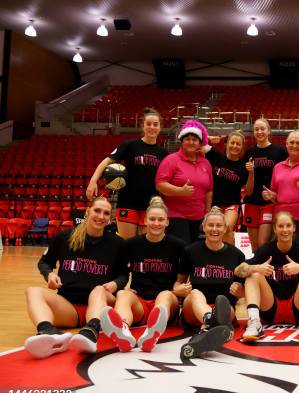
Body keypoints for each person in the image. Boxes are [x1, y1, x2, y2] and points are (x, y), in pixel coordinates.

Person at [24, 197, 128, 358]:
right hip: (70, 307)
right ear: (87, 211)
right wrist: (49, 274)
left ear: (110, 218)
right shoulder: (64, 238)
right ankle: (48, 332)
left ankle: (91, 331)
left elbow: (124, 276)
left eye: (106, 213)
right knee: (32, 291)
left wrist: (115, 284)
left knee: (98, 290)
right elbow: (44, 262)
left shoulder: (118, 244)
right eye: (97, 211)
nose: (101, 216)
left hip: (101, 303)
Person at [99, 197, 184, 353]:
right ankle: (122, 330)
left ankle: (151, 332)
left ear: (167, 222)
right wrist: (122, 287)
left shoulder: (178, 246)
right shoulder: (131, 244)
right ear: (145, 220)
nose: (156, 223)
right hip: (141, 303)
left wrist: (179, 290)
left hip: (167, 301)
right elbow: (121, 272)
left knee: (164, 295)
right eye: (152, 219)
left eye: (161, 219)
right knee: (123, 294)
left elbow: (185, 275)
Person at [236, 211, 299, 345]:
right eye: (280, 226)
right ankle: (254, 323)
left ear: (294, 228)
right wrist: (256, 268)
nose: (285, 230)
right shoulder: (266, 250)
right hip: (270, 309)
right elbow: (238, 269)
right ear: (274, 229)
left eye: (288, 226)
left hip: (297, 309)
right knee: (254, 273)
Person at [86, 108, 168, 238]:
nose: (152, 127)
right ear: (143, 126)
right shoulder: (129, 145)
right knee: (126, 244)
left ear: (160, 127)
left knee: (143, 248)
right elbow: (106, 162)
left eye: (155, 124)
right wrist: (93, 181)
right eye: (148, 124)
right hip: (127, 202)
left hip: (151, 206)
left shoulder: (163, 153)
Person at [176, 207, 247, 358]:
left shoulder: (237, 255)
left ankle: (205, 333)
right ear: (204, 226)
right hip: (194, 307)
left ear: (225, 228)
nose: (214, 229)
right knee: (195, 293)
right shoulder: (190, 251)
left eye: (219, 225)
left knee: (225, 304)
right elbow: (177, 284)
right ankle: (210, 320)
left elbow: (243, 294)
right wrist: (180, 289)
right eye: (211, 225)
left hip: (224, 308)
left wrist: (241, 293)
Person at [155, 120, 213, 244]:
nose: (191, 142)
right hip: (176, 215)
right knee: (182, 249)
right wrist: (180, 191)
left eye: (194, 139)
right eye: (187, 139)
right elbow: (160, 184)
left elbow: (209, 190)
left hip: (199, 217)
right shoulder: (171, 160)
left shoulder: (205, 163)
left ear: (199, 143)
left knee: (194, 253)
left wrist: (207, 213)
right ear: (181, 141)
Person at [243, 118, 288, 251]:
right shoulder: (249, 153)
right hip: (251, 202)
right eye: (256, 129)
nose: (259, 131)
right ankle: (257, 271)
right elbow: (246, 182)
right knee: (255, 247)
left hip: (269, 202)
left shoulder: (280, 151)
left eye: (262, 129)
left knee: (263, 244)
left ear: (268, 131)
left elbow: (287, 173)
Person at [206, 131, 248, 244]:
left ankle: (230, 258)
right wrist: (208, 137)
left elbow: (248, 190)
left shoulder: (244, 167)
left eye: (238, 144)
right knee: (215, 230)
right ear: (227, 143)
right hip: (215, 203)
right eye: (232, 142)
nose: (234, 146)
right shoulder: (217, 156)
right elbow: (197, 140)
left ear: (242, 147)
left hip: (232, 204)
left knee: (227, 227)